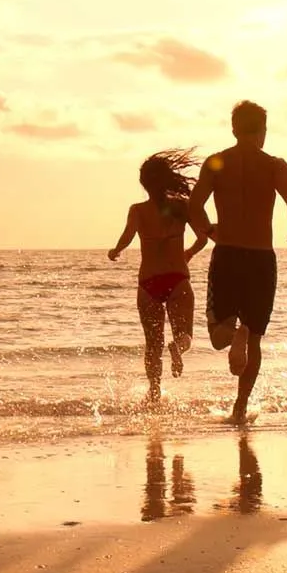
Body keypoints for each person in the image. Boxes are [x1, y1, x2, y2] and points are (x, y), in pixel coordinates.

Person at [186, 101, 287, 426]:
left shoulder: (216, 163)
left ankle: (236, 335)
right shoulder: (274, 165)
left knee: (217, 337)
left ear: (234, 129)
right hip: (261, 257)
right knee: (253, 339)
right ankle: (240, 408)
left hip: (227, 253)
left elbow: (194, 206)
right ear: (262, 131)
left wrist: (210, 231)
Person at [107, 150, 213, 404]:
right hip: (177, 279)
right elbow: (203, 236)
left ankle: (154, 392)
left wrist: (116, 251)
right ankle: (178, 348)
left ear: (144, 184)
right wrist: (188, 253)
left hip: (148, 283)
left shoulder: (138, 210)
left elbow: (127, 237)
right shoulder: (181, 207)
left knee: (152, 344)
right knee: (184, 334)